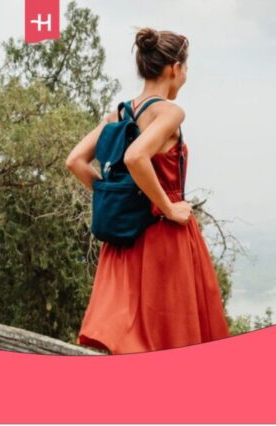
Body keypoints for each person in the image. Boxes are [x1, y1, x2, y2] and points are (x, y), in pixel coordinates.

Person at [65, 28, 230, 354]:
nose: (185, 76)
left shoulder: (119, 114)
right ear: (174, 68)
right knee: (170, 333)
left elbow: (75, 161)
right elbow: (136, 156)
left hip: (125, 236)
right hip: (163, 236)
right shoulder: (170, 112)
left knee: (130, 336)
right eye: (186, 68)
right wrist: (168, 207)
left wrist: (115, 195)